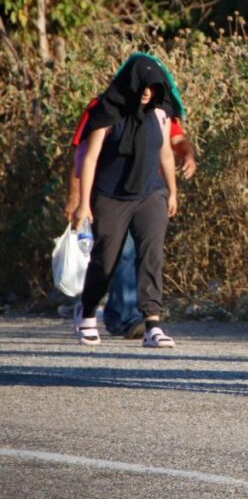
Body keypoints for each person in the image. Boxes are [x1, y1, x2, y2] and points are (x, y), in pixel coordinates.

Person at [63, 54, 197, 339]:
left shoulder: (160, 113)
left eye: (153, 87)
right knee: (108, 259)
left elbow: (165, 152)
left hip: (150, 193)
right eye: (142, 86)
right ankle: (87, 311)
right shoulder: (104, 111)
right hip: (110, 195)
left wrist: (172, 191)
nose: (147, 92)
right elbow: (86, 158)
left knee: (151, 254)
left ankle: (152, 323)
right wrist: (81, 202)